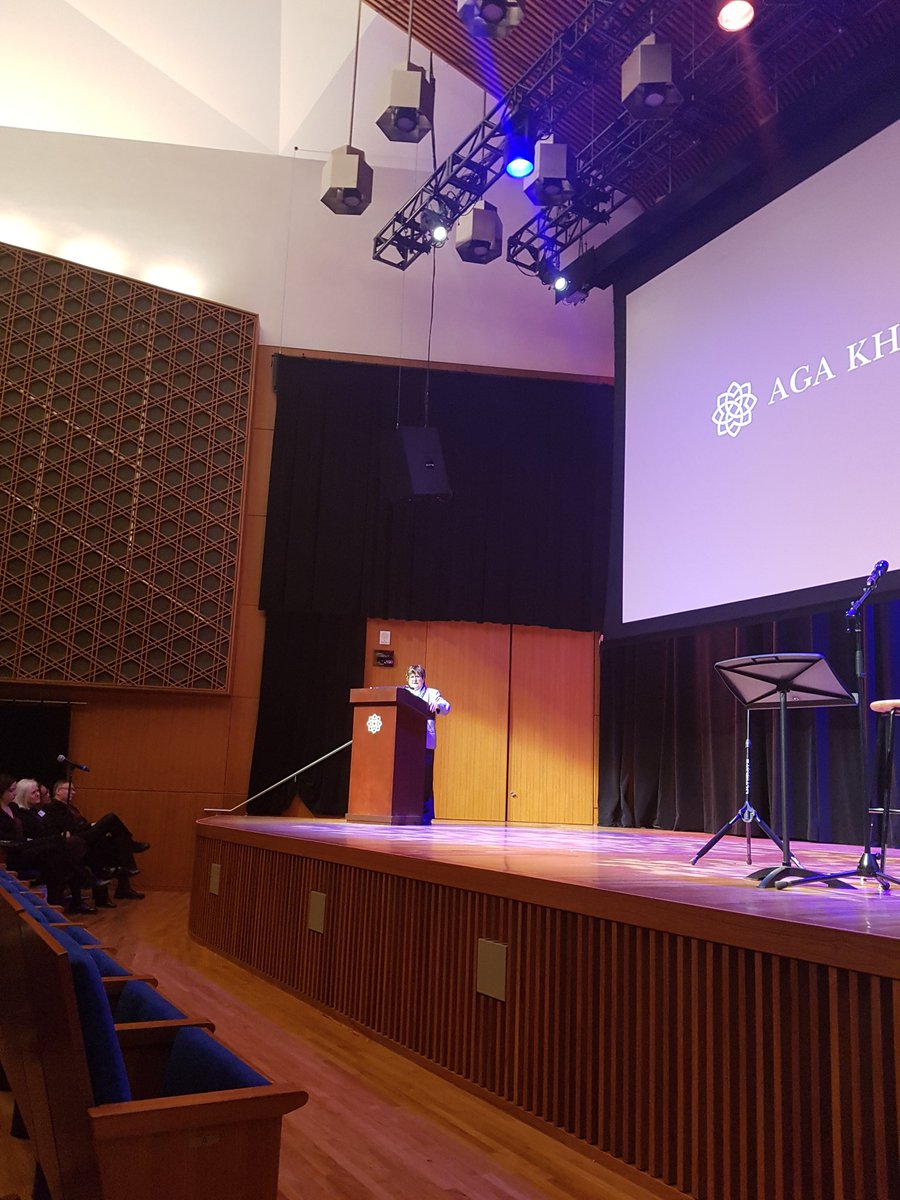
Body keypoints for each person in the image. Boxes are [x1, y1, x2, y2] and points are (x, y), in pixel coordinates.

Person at [45, 779, 149, 902]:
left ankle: (122, 887)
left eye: (74, 789)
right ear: (58, 791)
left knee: (118, 843)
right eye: (69, 789)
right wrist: (90, 826)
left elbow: (80, 822)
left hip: (83, 834)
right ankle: (131, 847)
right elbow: (69, 827)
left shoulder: (71, 808)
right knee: (111, 818)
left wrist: (89, 825)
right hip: (76, 840)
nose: (73, 792)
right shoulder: (53, 807)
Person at [405, 664, 451, 825]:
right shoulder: (403, 694)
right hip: (405, 743)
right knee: (405, 778)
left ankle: (425, 814)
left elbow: (447, 707)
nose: (415, 679)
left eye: (418, 676)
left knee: (424, 779)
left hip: (425, 743)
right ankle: (405, 811)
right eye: (412, 677)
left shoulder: (432, 693)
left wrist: (437, 706)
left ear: (423, 679)